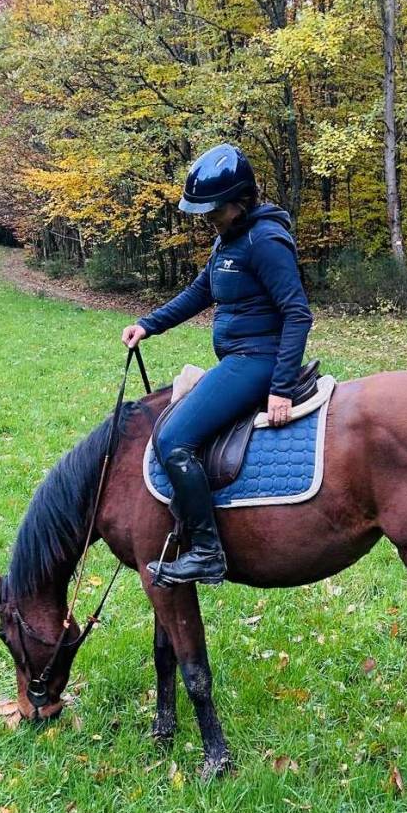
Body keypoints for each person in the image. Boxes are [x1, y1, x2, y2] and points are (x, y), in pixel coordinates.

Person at [121, 142, 313, 586]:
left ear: (241, 200)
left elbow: (297, 313)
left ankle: (207, 552)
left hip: (257, 361)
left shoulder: (264, 241)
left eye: (213, 208)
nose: (206, 216)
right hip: (237, 358)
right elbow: (199, 293)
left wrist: (281, 387)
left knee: (172, 439)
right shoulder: (228, 240)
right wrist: (148, 325)